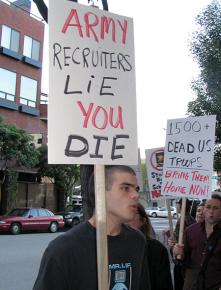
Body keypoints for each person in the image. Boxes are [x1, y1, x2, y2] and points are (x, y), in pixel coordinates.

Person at [33, 165, 151, 290]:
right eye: (126, 188)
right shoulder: (64, 249)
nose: (136, 195)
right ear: (100, 193)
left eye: (136, 189)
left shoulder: (137, 241)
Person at [173, 194, 221, 290]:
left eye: (216, 208)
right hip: (192, 283)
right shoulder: (191, 231)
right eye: (208, 207)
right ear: (204, 210)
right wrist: (177, 252)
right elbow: (182, 258)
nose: (211, 211)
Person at [128, 203, 174, 290]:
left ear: (143, 220)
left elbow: (164, 284)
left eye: (132, 212)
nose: (126, 218)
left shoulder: (157, 249)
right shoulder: (112, 247)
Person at [168, 198, 196, 290]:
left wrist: (174, 241)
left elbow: (182, 238)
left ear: (182, 205)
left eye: (178, 204)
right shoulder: (190, 218)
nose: (177, 206)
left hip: (181, 262)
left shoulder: (184, 220)